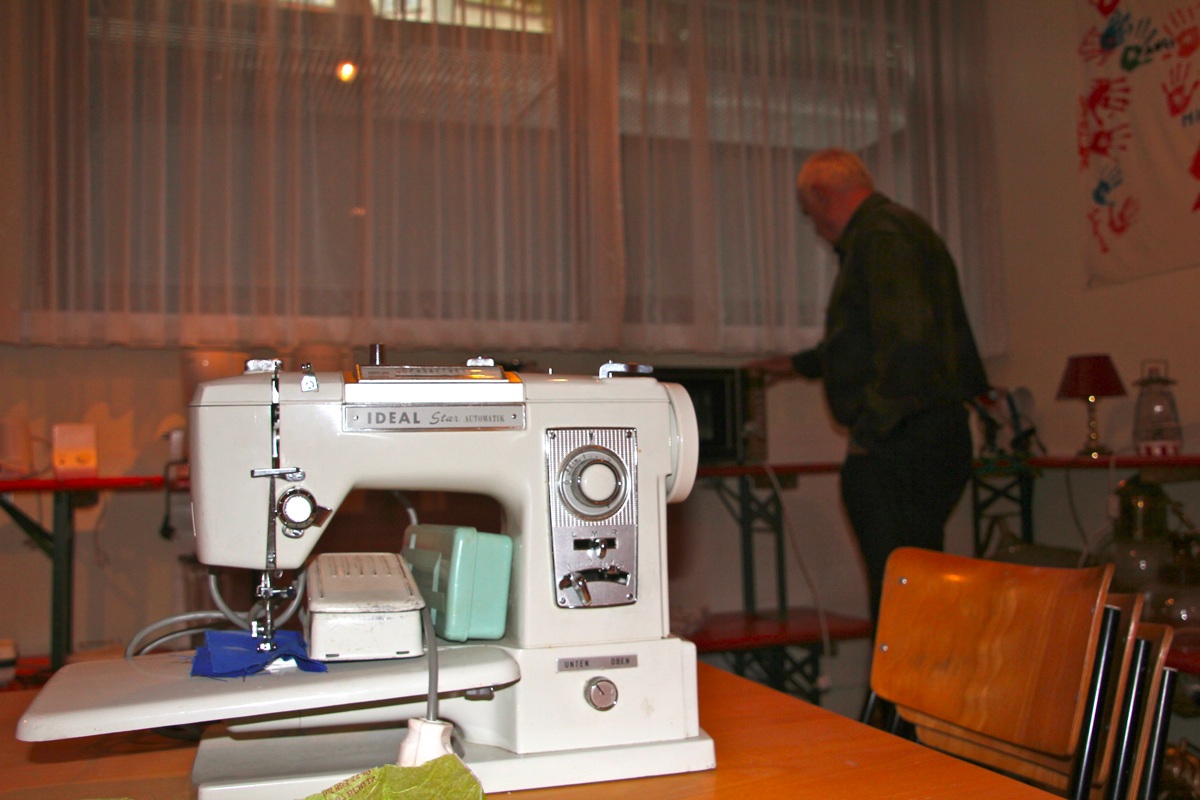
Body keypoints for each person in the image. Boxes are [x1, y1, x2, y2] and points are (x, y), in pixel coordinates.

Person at [750, 148, 989, 620]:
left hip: (903, 443)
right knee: (913, 584)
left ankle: (898, 671)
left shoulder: (880, 238)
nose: (816, 229)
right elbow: (872, 338)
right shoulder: (898, 232)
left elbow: (907, 344)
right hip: (926, 434)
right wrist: (797, 364)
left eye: (809, 214)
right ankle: (908, 670)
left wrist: (870, 433)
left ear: (822, 195)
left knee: (900, 592)